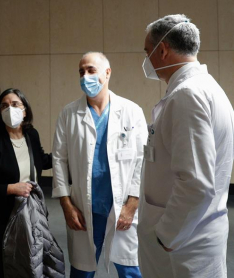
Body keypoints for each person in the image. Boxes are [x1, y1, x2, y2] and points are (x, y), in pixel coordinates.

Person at [138, 14, 234, 278]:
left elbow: (196, 184)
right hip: (192, 236)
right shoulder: (205, 88)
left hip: (181, 246)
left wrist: (165, 236)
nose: (147, 60)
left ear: (163, 50)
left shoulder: (187, 95)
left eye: (148, 52)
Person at [52, 52, 148, 278]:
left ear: (107, 73)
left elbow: (142, 159)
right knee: (82, 270)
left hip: (123, 205)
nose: (85, 76)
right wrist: (67, 205)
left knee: (130, 269)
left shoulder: (131, 111)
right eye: (81, 72)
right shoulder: (68, 113)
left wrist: (133, 203)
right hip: (85, 208)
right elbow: (58, 160)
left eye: (91, 70)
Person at [0, 88, 53, 277]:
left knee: (31, 268)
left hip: (32, 218)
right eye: (4, 106)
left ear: (24, 110)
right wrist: (10, 188)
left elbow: (41, 159)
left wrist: (67, 155)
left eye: (15, 104)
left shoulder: (31, 135)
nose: (10, 109)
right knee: (4, 270)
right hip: (2, 223)